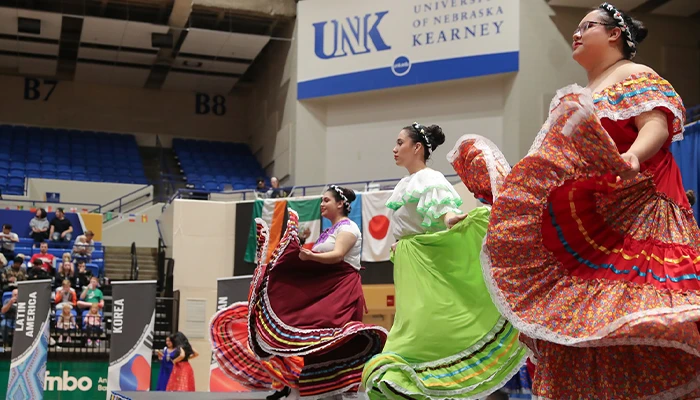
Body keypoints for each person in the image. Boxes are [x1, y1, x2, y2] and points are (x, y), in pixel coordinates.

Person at [482, 3, 700, 398]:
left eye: (587, 26)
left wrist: (634, 154)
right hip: (593, 224)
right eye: (576, 28)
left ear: (615, 33)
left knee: (638, 315)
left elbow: (655, 121)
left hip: (640, 213)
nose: (576, 34)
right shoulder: (580, 94)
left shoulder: (634, 74)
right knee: (585, 327)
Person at [361, 126, 526, 398]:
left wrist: (450, 217)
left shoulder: (429, 177)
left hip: (424, 266)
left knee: (421, 331)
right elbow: (410, 224)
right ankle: (415, 383)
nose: (394, 148)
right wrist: (401, 243)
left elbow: (443, 208)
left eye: (400, 142)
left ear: (417, 148)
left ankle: (420, 382)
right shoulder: (406, 183)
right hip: (409, 265)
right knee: (413, 329)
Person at [210, 186, 387, 400]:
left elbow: (338, 255)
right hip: (326, 289)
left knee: (329, 342)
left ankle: (336, 392)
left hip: (341, 292)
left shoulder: (349, 228)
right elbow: (320, 257)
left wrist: (307, 255)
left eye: (326, 200)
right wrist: (300, 251)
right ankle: (303, 386)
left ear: (340, 204)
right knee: (308, 341)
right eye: (321, 200)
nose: (322, 204)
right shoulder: (329, 231)